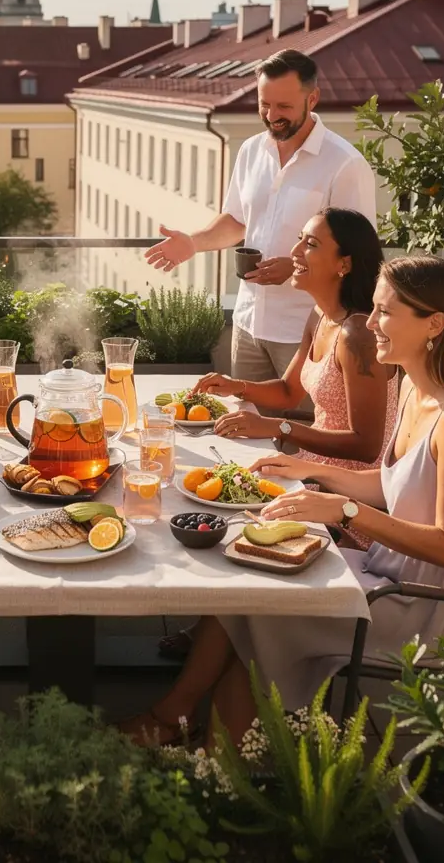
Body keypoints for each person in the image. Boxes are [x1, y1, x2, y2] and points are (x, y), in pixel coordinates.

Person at [126, 255, 444, 749]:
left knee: (264, 603)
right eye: (372, 309)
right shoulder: (416, 388)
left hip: (441, 609)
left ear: (434, 323)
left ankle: (201, 751)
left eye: (385, 312)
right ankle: (195, 740)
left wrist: (343, 511)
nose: (369, 323)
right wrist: (309, 471)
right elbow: (395, 484)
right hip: (393, 573)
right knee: (250, 577)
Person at [158, 209, 397, 660]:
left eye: (310, 244)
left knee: (235, 527)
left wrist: (278, 428)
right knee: (215, 499)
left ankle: (206, 664)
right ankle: (209, 647)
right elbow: (289, 390)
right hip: (312, 474)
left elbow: (366, 444)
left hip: (353, 500)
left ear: (344, 263)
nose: (294, 253)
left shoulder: (359, 335)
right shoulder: (320, 317)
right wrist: (237, 388)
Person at [145, 49, 377, 385]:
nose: (272, 115)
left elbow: (358, 254)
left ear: (312, 98)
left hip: (306, 331)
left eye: (284, 106)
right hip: (248, 324)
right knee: (247, 426)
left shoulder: (345, 165)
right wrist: (193, 243)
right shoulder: (251, 150)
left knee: (300, 431)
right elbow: (237, 221)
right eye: (264, 104)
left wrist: (296, 268)